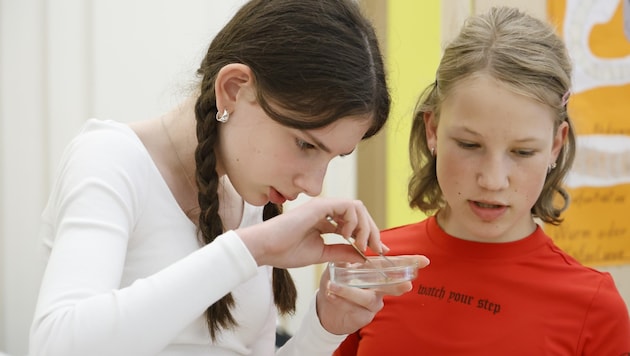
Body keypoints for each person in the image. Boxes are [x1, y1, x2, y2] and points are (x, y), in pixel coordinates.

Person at [28, 1, 430, 355]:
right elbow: (58, 345)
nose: (313, 186)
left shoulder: (250, 197)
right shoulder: (111, 158)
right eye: (306, 145)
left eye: (334, 156)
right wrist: (247, 250)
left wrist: (324, 327)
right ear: (233, 89)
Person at [334, 6, 630, 356]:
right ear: (433, 130)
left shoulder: (594, 307)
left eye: (522, 152)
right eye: (469, 145)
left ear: (555, 145)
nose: (492, 180)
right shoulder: (373, 267)